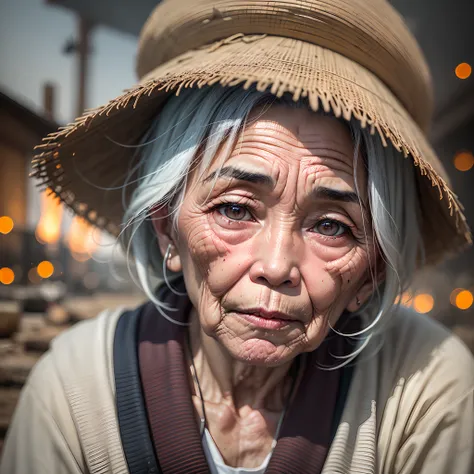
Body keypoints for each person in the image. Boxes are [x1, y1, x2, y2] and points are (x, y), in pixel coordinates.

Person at [1, 0, 473, 473]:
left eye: (331, 226)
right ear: (166, 228)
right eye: (234, 209)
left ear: (371, 272)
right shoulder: (78, 391)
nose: (275, 266)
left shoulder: (424, 387)